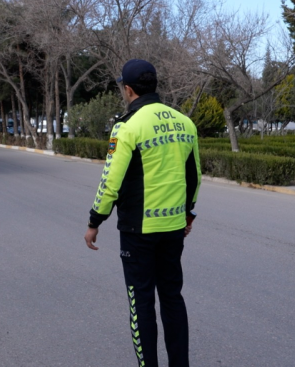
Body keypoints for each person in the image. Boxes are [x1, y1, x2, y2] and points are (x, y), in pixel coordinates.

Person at [84, 59, 201, 367]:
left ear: (128, 89)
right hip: (174, 227)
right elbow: (194, 177)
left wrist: (95, 221)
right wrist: (187, 215)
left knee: (142, 304)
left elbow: (111, 181)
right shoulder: (185, 123)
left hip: (138, 232)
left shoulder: (127, 126)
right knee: (172, 298)